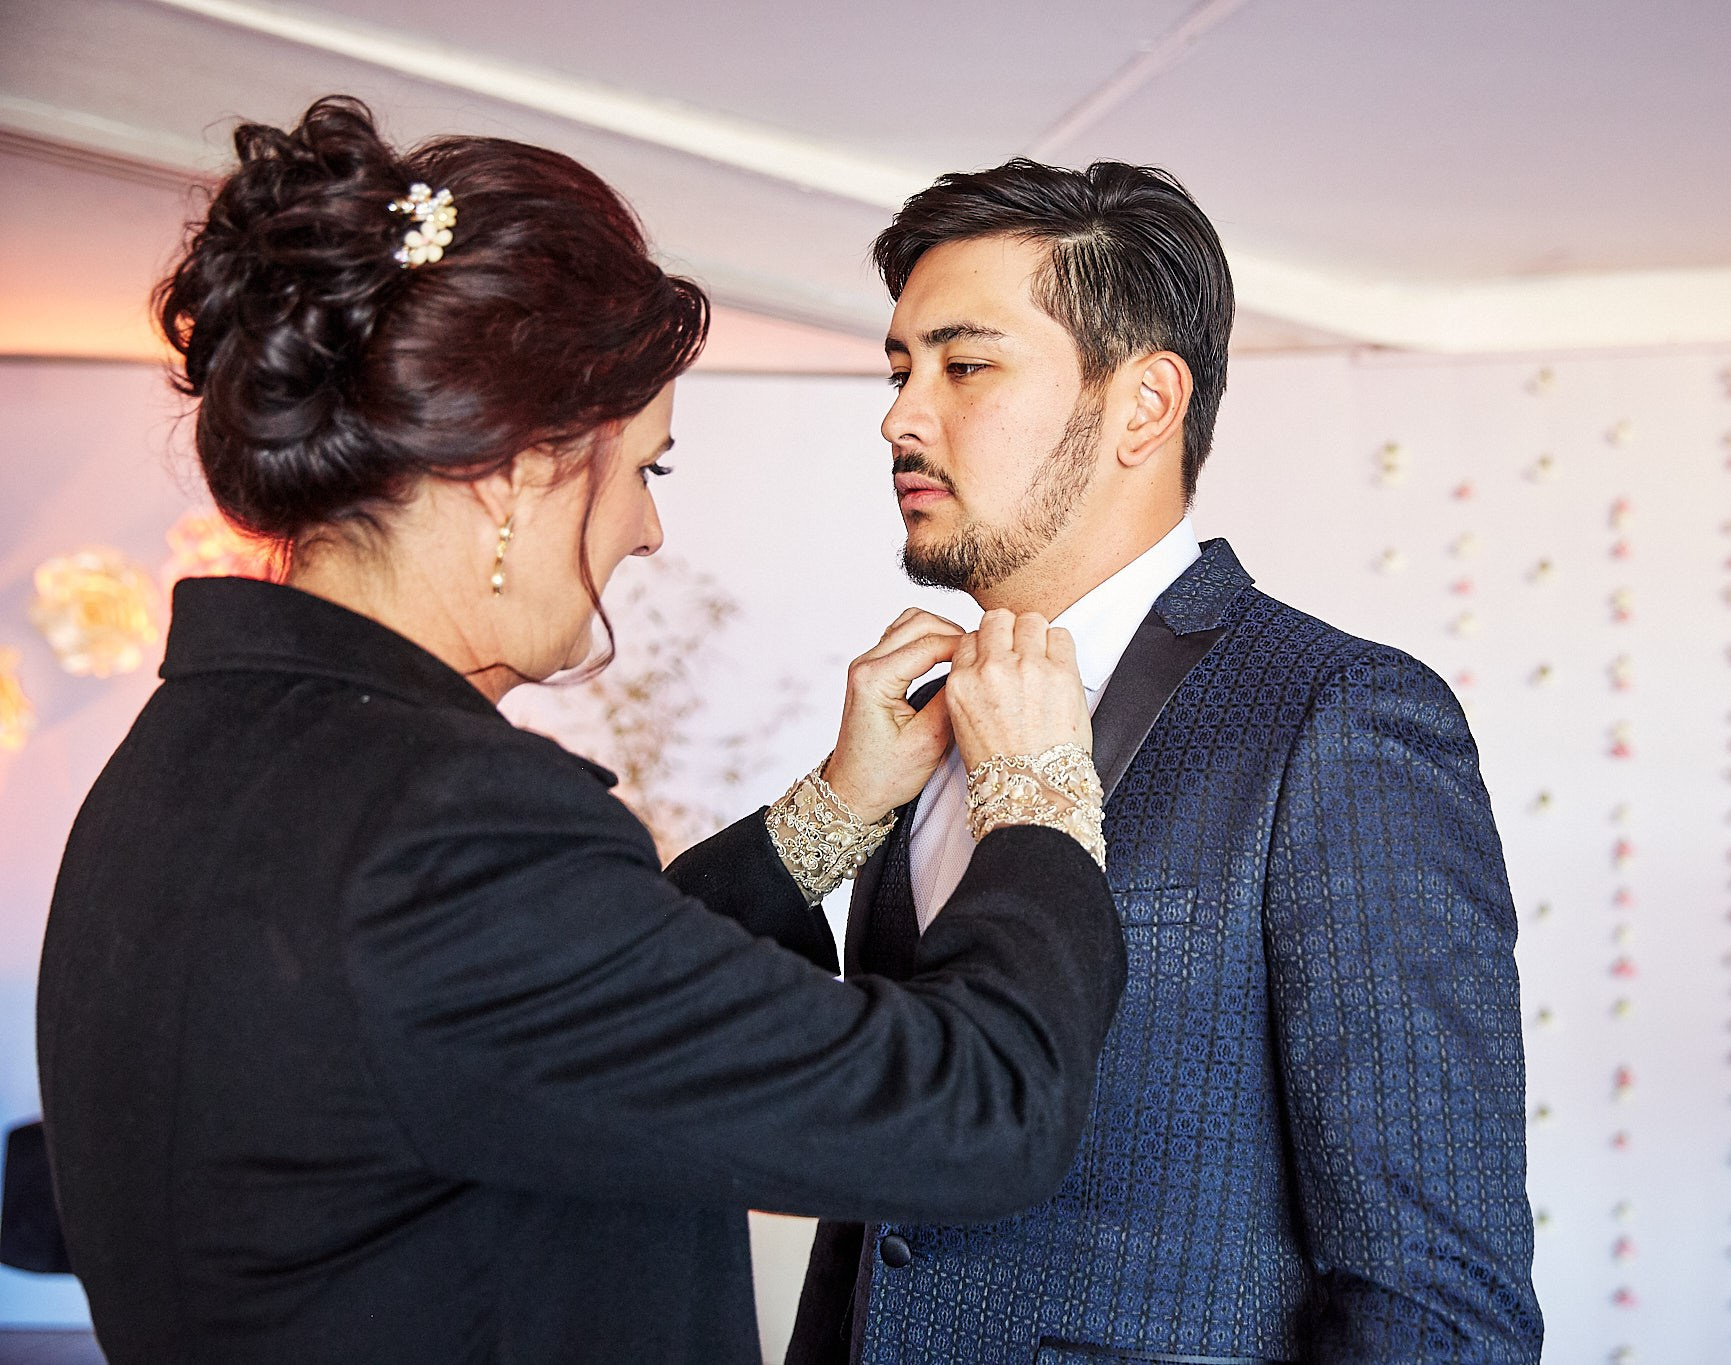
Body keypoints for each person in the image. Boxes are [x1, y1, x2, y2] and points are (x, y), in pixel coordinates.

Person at [35, 98, 1127, 1365]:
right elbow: (976, 1115)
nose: (646, 535)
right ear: (518, 472)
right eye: (645, 471)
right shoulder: (443, 825)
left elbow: (560, 1018)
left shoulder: (187, 756)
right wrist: (1041, 799)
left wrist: (828, 814)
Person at [789, 162, 1542, 1363]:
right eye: (898, 370)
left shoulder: (1338, 717)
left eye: (962, 365)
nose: (900, 417)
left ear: (1144, 404)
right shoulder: (917, 719)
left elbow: (1436, 1293)